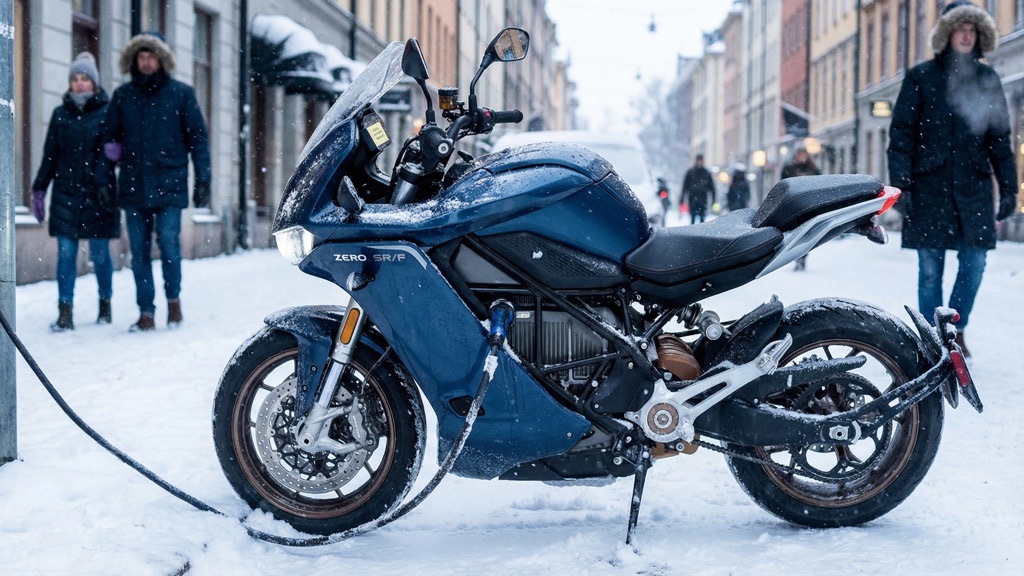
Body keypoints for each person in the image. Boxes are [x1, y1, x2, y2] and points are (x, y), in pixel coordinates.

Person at [887, 1, 1018, 359]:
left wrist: (1009, 188)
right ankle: (933, 337)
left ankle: (955, 328)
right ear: (946, 34)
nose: (965, 35)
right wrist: (902, 187)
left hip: (973, 190)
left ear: (979, 35)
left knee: (974, 264)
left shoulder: (988, 79)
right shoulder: (921, 77)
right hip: (930, 187)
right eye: (959, 28)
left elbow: (1000, 141)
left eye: (972, 29)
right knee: (930, 269)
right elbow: (901, 137)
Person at [101, 32, 211, 331]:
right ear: (135, 60)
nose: (146, 62)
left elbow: (198, 139)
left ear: (161, 60)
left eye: (151, 56)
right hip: (134, 185)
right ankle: (146, 311)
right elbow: (109, 134)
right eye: (141, 57)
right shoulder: (123, 96)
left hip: (169, 183)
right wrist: (111, 153)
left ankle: (173, 302)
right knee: (138, 251)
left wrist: (204, 179)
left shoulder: (181, 94)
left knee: (168, 244)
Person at [31, 52, 120, 332]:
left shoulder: (107, 112)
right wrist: (39, 189)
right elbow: (50, 156)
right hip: (66, 193)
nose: (80, 84)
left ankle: (105, 303)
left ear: (93, 83)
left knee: (101, 254)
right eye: (75, 79)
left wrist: (112, 158)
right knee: (66, 254)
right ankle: (65, 311)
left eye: (85, 79)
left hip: (98, 193)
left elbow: (113, 148)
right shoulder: (61, 115)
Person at [781, 147, 821, 271]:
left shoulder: (813, 169)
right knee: (796, 233)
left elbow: (820, 184)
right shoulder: (789, 168)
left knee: (807, 233)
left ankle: (802, 257)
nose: (802, 157)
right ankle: (797, 257)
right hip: (794, 205)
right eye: (800, 154)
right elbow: (783, 185)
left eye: (804, 154)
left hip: (809, 206)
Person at [681, 154, 715, 224]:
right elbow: (685, 187)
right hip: (693, 199)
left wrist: (713, 199)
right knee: (692, 218)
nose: (699, 162)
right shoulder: (690, 173)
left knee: (702, 219)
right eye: (698, 160)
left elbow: (711, 188)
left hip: (702, 199)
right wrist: (682, 199)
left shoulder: (706, 173)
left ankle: (700, 233)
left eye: (701, 160)